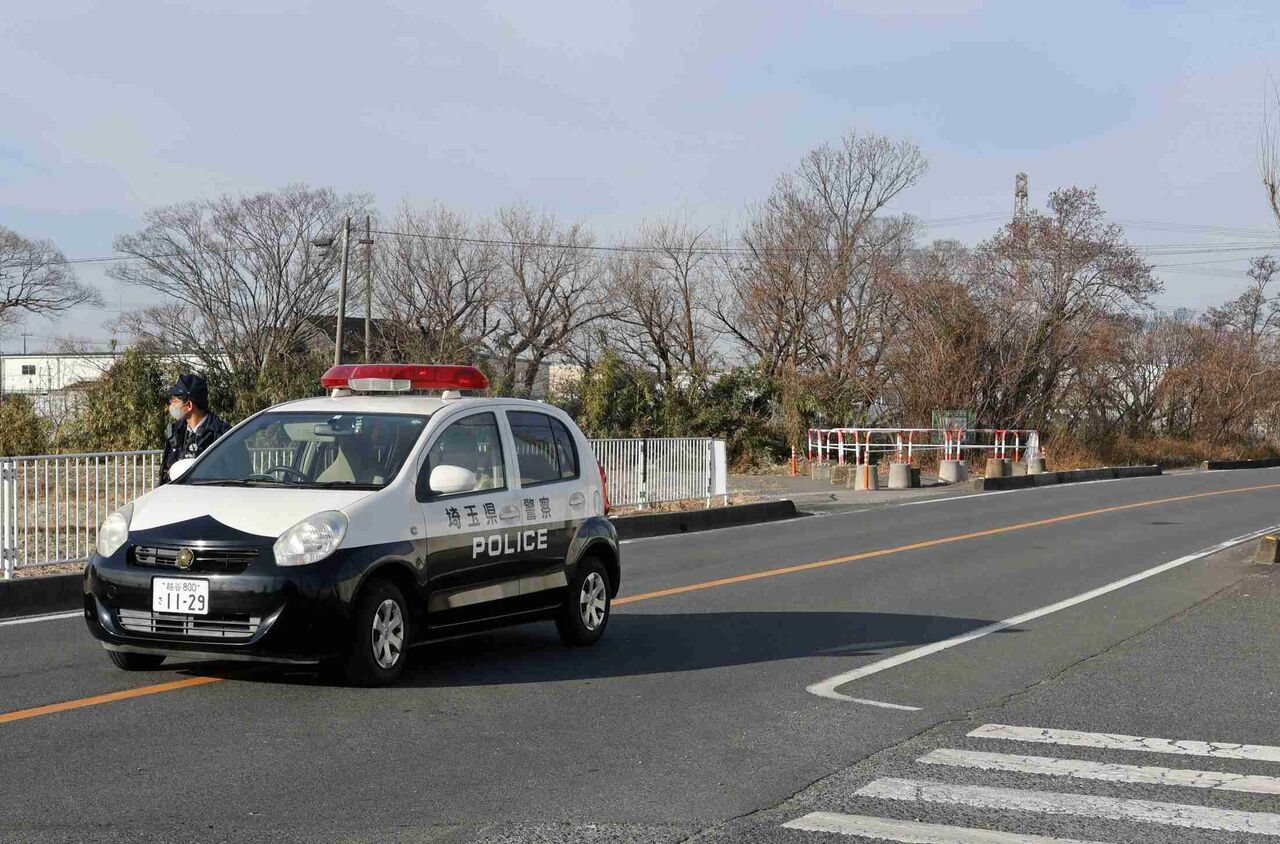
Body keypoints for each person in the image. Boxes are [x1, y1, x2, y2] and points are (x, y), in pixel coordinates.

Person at [159, 373, 231, 484]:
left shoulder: (224, 435)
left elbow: (238, 475)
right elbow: (165, 475)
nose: (170, 405)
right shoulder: (175, 433)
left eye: (174, 401)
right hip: (176, 499)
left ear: (189, 405)